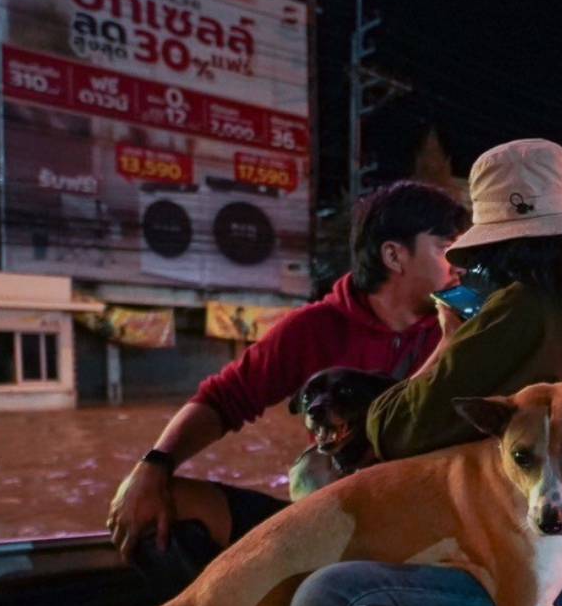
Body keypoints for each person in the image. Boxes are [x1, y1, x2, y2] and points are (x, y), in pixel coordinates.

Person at [286, 139, 562, 606]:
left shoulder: (521, 308)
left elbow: (391, 428)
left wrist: (451, 339)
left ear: (493, 249)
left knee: (332, 594)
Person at [106, 181, 469, 585]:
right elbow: (224, 398)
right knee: (153, 510)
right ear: (393, 255)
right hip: (327, 520)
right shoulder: (314, 328)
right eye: (444, 248)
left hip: (420, 527)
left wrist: (453, 342)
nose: (460, 264)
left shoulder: (466, 331)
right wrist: (152, 467)